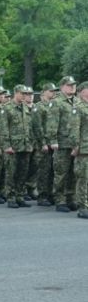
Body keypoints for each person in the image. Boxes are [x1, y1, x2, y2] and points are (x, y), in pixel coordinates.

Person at [47, 76, 79, 212]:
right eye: (69, 85)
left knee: (73, 172)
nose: (72, 87)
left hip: (75, 143)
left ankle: (70, 198)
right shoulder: (57, 102)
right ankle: (60, 199)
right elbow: (52, 122)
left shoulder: (77, 101)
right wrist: (53, 141)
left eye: (73, 85)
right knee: (61, 172)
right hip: (62, 142)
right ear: (62, 87)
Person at [0, 85, 33, 208]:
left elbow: (30, 127)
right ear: (16, 93)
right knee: (11, 173)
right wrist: (7, 145)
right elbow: (3, 128)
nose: (25, 96)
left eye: (26, 94)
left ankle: (19, 195)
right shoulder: (7, 108)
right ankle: (11, 197)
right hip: (13, 147)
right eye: (22, 93)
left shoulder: (26, 107)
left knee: (23, 172)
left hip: (25, 145)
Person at [32, 83, 59, 206]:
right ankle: (42, 196)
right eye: (51, 91)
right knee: (44, 171)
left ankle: (50, 194)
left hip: (54, 143)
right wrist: (42, 143)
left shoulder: (54, 106)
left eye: (54, 91)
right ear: (44, 92)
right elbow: (37, 127)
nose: (53, 93)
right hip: (44, 144)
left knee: (52, 171)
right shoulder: (39, 107)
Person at [70, 81, 88, 219]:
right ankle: (82, 206)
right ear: (81, 92)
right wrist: (75, 146)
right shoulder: (78, 108)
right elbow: (74, 129)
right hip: (83, 148)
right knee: (83, 178)